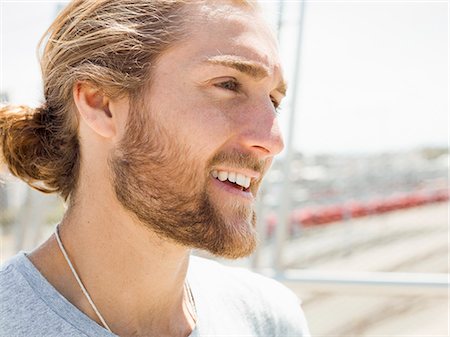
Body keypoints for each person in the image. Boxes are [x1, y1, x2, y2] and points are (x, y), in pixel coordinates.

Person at [0, 1, 310, 336]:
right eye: (228, 85)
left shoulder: (269, 319)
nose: (273, 141)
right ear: (100, 103)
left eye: (274, 102)